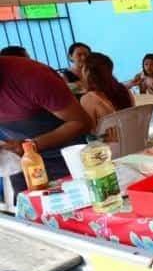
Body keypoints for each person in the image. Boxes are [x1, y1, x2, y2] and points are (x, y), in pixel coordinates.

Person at [0, 55, 91, 193]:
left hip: (65, 158)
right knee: (28, 210)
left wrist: (30, 147)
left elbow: (82, 122)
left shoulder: (31, 76)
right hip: (21, 164)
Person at [80, 53, 134, 130]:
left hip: (108, 141)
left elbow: (91, 132)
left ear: (86, 72)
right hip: (133, 135)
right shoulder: (124, 90)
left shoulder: (88, 98)